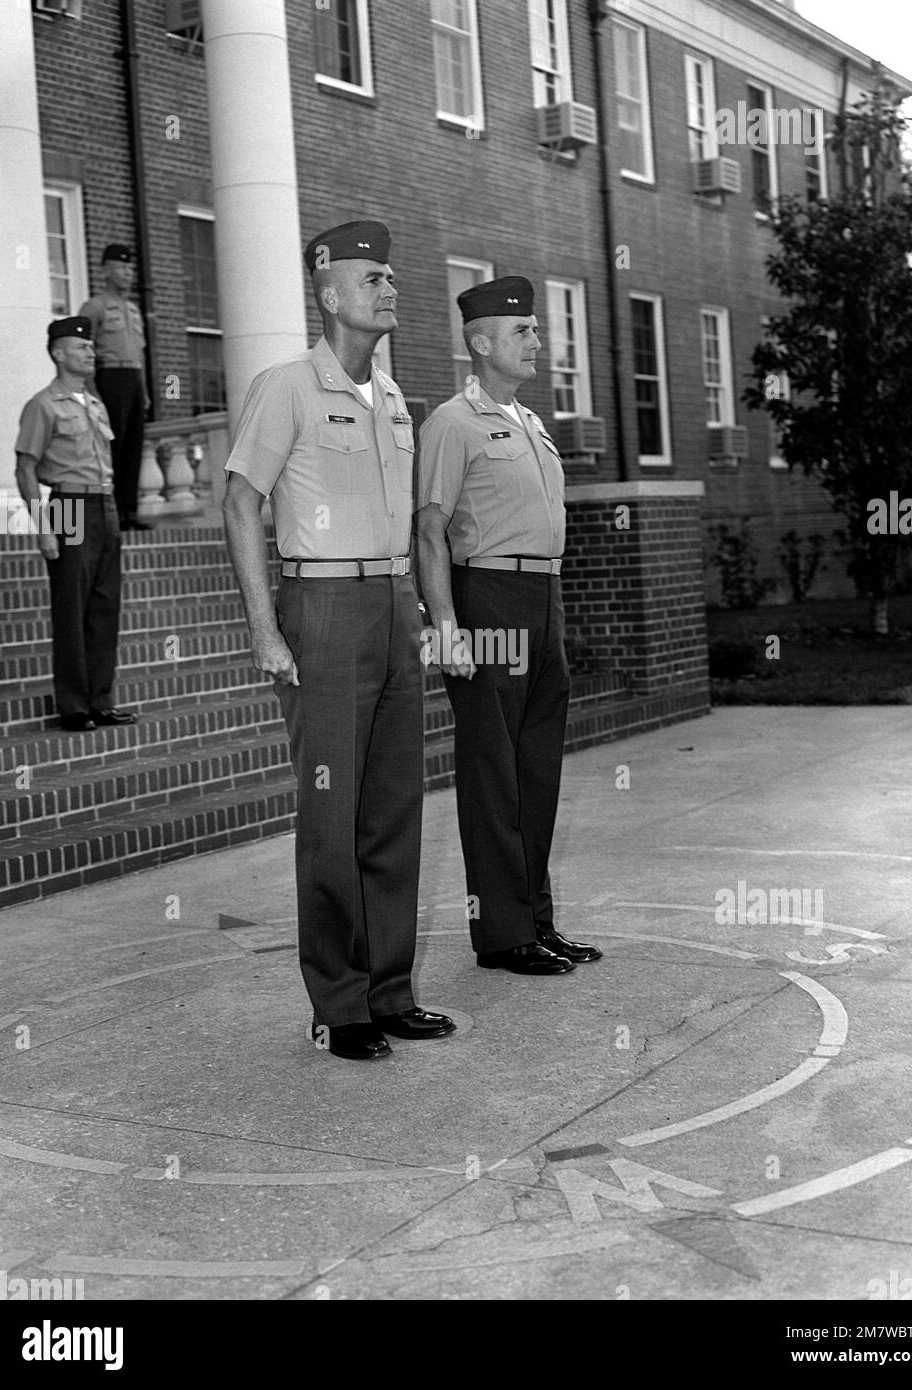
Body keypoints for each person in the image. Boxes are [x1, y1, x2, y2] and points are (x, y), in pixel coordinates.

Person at [222, 219, 454, 1063]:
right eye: (372, 279)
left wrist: (424, 613)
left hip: (391, 605)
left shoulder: (392, 397)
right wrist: (262, 625)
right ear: (328, 293)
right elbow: (241, 501)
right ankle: (338, 1002)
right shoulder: (286, 385)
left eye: (392, 279)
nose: (389, 290)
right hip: (320, 609)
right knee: (332, 812)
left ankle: (390, 991)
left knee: (394, 806)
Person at [417, 275, 602, 975]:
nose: (537, 340)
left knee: (535, 769)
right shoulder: (451, 424)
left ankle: (536, 920)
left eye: (534, 330)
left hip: (541, 597)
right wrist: (446, 627)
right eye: (522, 331)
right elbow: (429, 534)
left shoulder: (530, 423)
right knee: (494, 771)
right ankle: (501, 935)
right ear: (481, 341)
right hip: (486, 597)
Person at [14, 317, 138, 733]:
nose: (91, 352)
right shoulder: (43, 405)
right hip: (67, 504)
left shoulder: (97, 404)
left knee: (104, 608)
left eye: (90, 348)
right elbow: (25, 469)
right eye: (81, 347)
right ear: (58, 353)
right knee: (71, 607)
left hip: (104, 504)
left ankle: (101, 700)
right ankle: (73, 705)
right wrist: (43, 528)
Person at [79, 244, 151, 530]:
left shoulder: (134, 310)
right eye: (121, 267)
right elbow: (83, 348)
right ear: (105, 271)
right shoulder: (94, 306)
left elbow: (142, 354)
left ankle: (130, 512)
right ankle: (112, 512)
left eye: (131, 268)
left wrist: (144, 391)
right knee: (113, 447)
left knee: (133, 448)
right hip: (110, 379)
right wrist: (91, 390)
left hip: (133, 380)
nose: (128, 273)